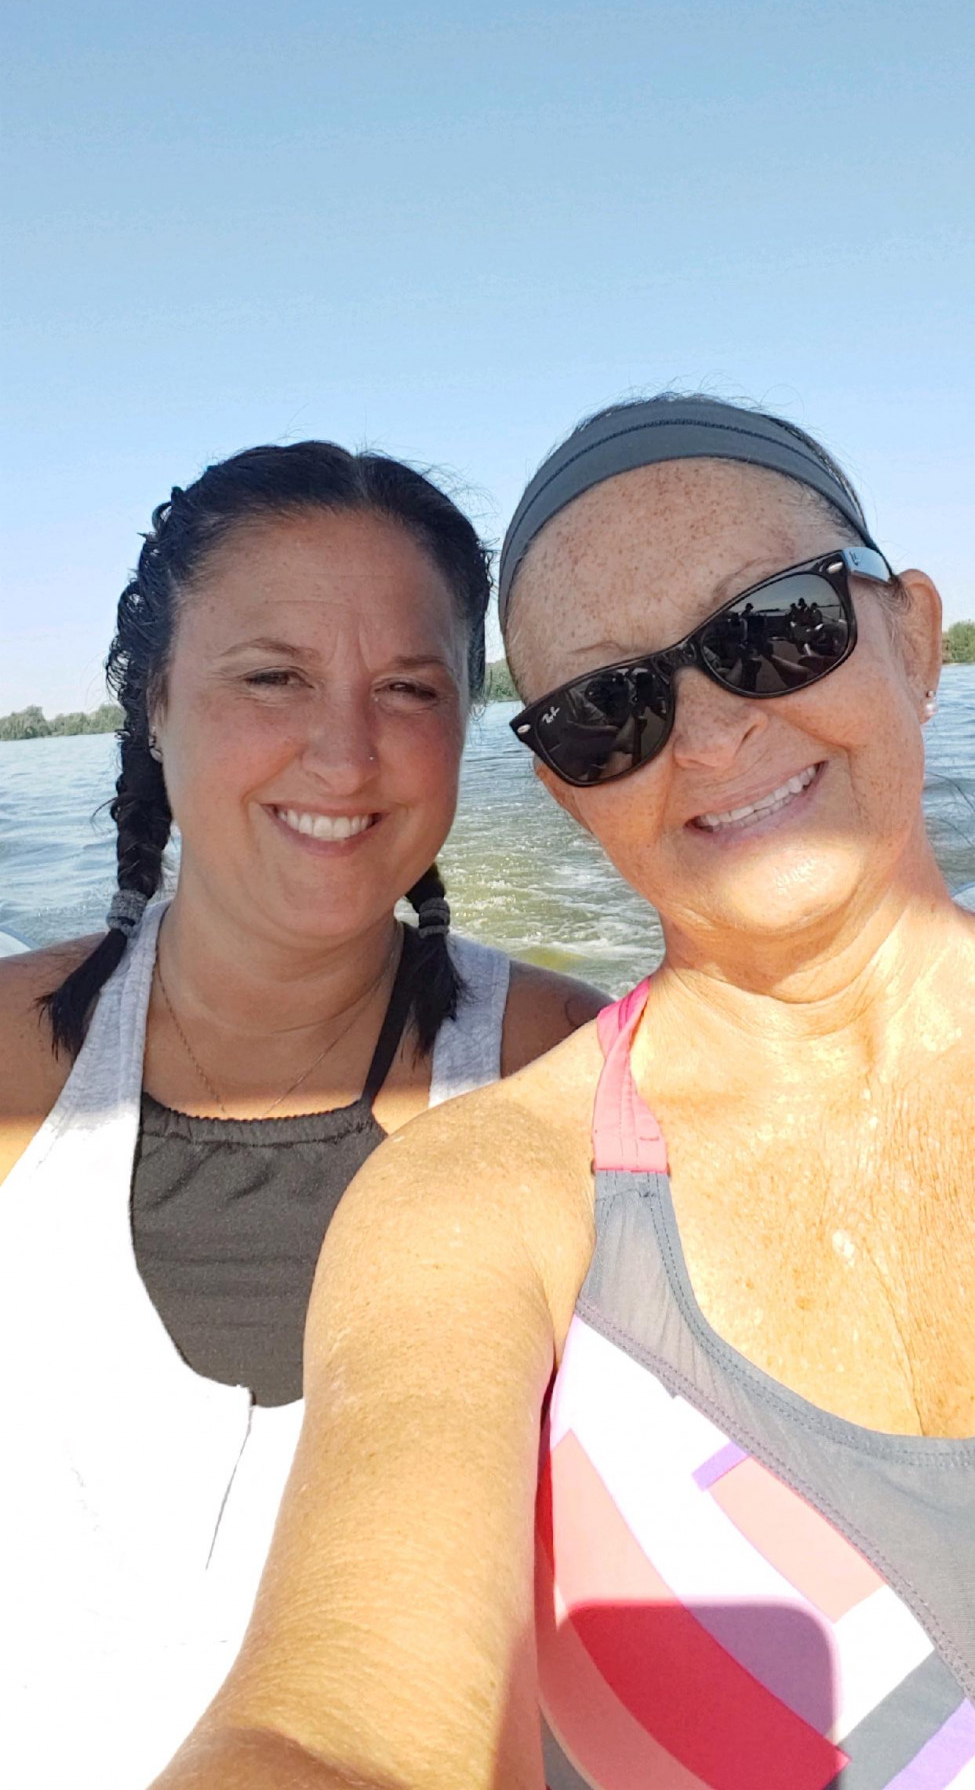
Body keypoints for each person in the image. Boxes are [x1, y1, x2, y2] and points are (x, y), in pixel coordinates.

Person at [155, 396, 974, 1790]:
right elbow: (325, 1727)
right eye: (611, 710)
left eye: (778, 626)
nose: (709, 736)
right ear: (562, 787)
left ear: (913, 636)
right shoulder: (482, 1199)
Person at [0, 439, 605, 1790]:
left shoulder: (570, 1073)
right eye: (273, 677)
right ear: (156, 704)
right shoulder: (9, 1063)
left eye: (409, 688)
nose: (344, 752)